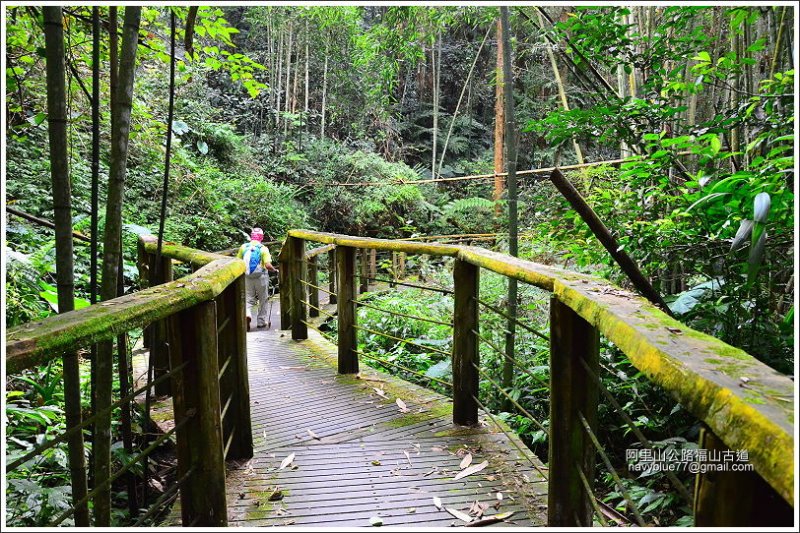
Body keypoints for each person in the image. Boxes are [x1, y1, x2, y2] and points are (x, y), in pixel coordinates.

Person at [237, 227, 277, 330]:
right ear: (261, 237)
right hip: (261, 277)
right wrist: (274, 270)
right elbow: (268, 265)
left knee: (248, 298)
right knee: (263, 299)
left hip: (247, 276)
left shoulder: (243, 247)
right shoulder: (263, 249)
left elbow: (237, 262)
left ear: (251, 236)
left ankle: (248, 314)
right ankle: (261, 322)